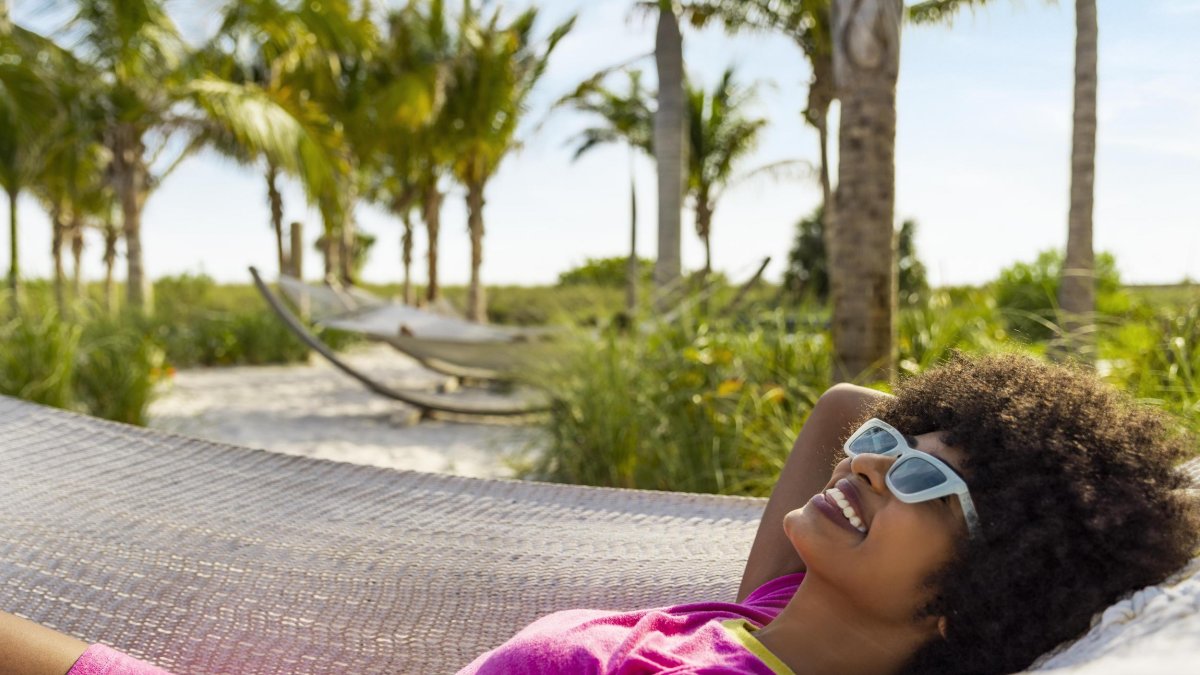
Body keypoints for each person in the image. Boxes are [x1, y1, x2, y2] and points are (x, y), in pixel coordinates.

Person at [1, 353, 1196, 674]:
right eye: (894, 448)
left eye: (928, 482)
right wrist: (1110, 498)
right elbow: (842, 407)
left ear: (979, 597)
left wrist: (1086, 543)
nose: (873, 466)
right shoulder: (767, 613)